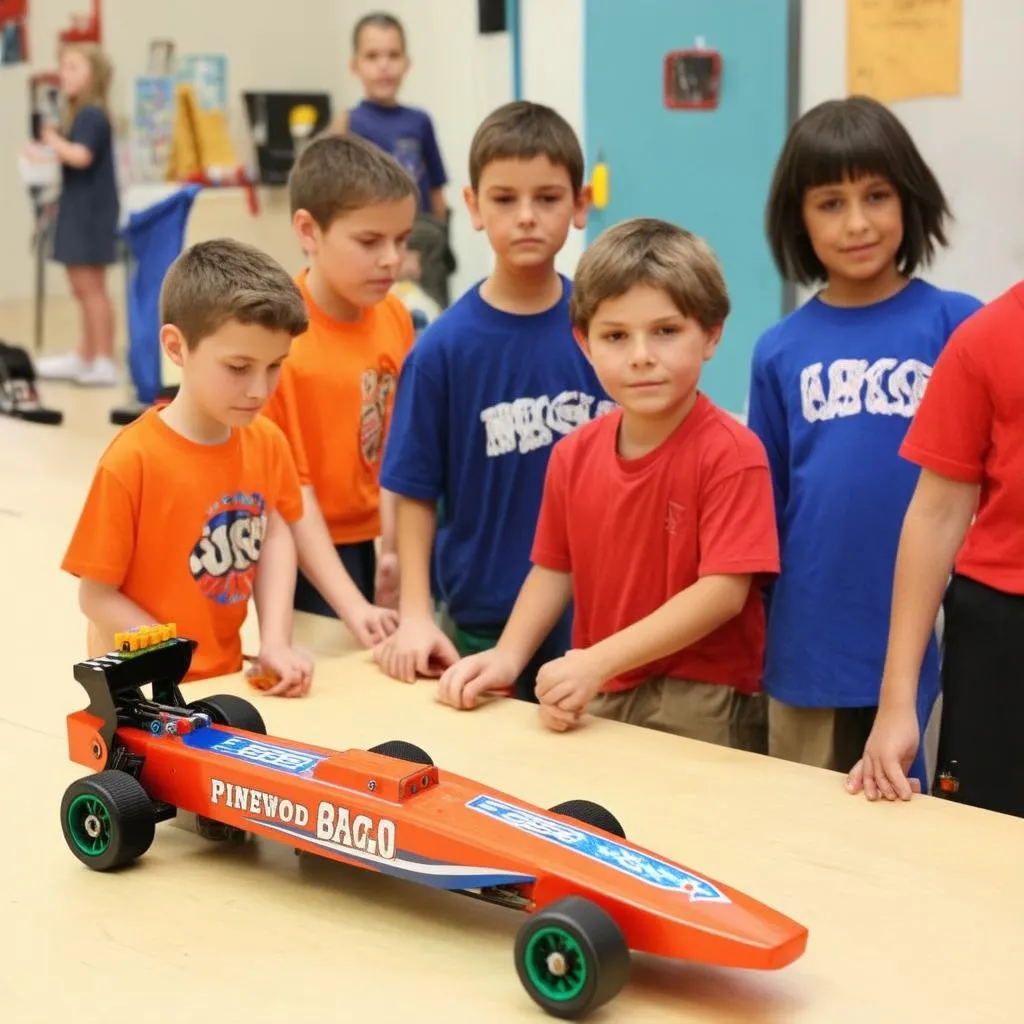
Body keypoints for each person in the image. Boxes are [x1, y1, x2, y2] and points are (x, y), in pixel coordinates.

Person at [437, 218, 779, 746]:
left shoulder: (733, 454)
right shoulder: (572, 455)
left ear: (711, 333)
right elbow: (554, 568)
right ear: (585, 343)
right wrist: (508, 656)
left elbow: (723, 594)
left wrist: (596, 662)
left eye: (666, 331)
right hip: (598, 686)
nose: (641, 355)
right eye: (616, 336)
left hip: (701, 698)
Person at [746, 96, 982, 783]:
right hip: (808, 647)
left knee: (904, 831)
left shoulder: (956, 326)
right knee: (802, 833)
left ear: (908, 199)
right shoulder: (778, 350)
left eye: (876, 195)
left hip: (926, 641)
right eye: (830, 202)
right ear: (799, 216)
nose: (856, 222)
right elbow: (769, 506)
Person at [373, 100, 613, 699]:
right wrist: (417, 614)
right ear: (474, 207)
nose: (527, 217)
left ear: (580, 204)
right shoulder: (442, 352)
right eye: (505, 199)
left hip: (604, 622)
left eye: (548, 198)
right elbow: (414, 493)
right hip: (485, 620)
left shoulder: (610, 330)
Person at [61, 239, 314, 696]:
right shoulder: (132, 461)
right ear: (177, 347)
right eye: (238, 367)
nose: (260, 389)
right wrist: (175, 657)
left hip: (225, 683)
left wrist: (276, 639)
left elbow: (274, 531)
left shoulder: (267, 442)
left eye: (275, 366)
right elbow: (95, 596)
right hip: (142, 692)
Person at [846, 279, 1024, 819]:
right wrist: (898, 702)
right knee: (987, 845)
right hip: (1001, 631)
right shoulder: (985, 338)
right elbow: (936, 514)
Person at [261, 133, 417, 647]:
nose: (392, 259)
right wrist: (352, 603)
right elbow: (292, 496)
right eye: (370, 242)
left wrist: (395, 548)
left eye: (402, 240)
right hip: (306, 549)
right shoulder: (281, 341)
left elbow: (401, 448)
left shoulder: (394, 315)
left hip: (378, 539)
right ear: (308, 230)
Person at [329, 11, 455, 309]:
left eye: (393, 55)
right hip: (372, 242)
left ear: (407, 63)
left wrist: (436, 244)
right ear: (354, 66)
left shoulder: (420, 121)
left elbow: (436, 190)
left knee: (429, 319)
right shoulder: (348, 124)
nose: (383, 65)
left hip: (421, 240)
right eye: (372, 56)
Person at [34, 42, 120, 387]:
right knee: (82, 288)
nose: (63, 74)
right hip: (80, 208)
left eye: (73, 67)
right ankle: (85, 353)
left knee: (91, 288)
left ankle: (103, 359)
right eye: (63, 66)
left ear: (93, 75)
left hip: (89, 213)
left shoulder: (91, 115)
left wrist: (52, 140)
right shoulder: (81, 113)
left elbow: (81, 156)